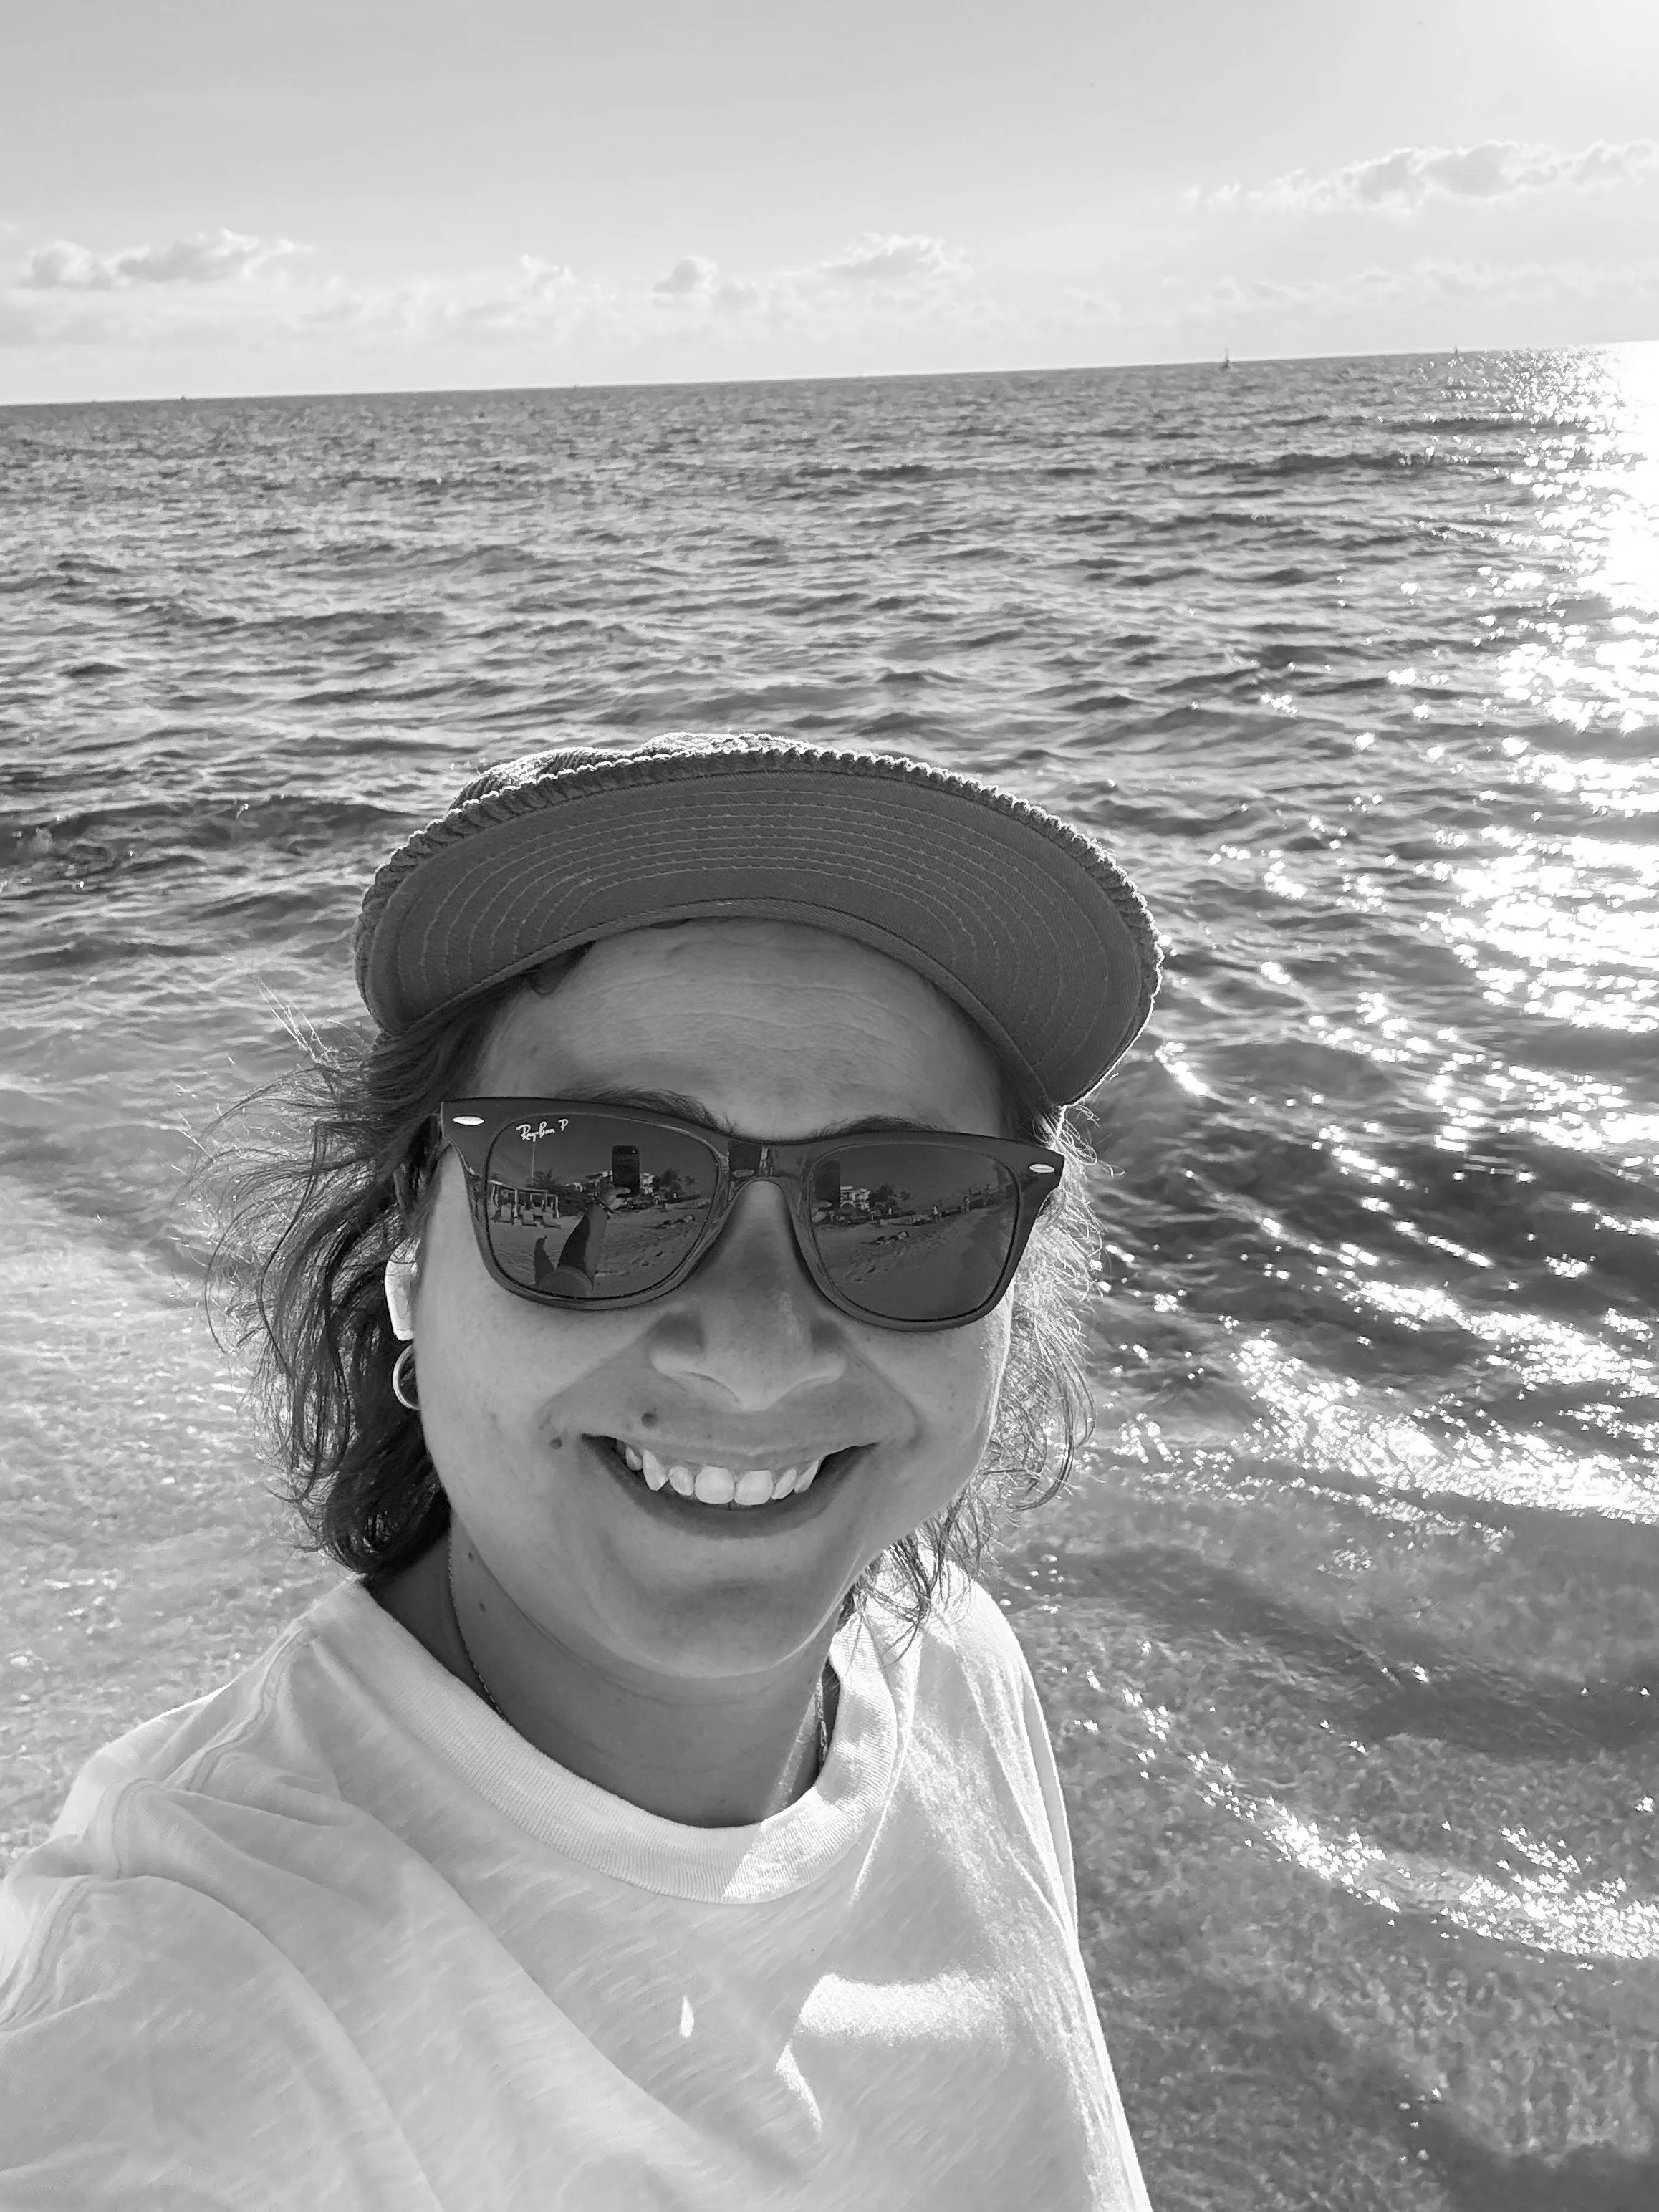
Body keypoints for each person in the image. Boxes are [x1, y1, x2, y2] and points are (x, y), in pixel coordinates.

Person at [0, 734, 1161, 2209]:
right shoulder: (204, 2042)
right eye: (597, 1187)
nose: (754, 1350)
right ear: (412, 1257)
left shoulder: (949, 1659)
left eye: (900, 1206)